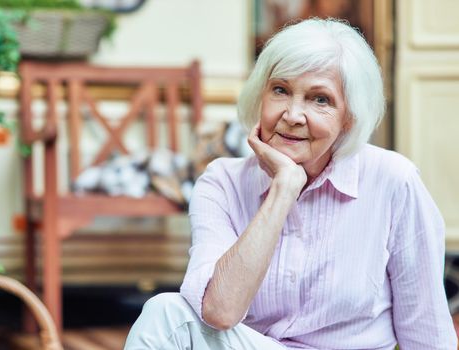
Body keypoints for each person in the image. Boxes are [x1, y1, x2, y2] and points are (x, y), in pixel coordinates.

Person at [123, 18, 457, 349]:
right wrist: (284, 188)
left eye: (320, 99)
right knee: (166, 313)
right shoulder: (222, 182)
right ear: (260, 96)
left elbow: (427, 332)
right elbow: (219, 312)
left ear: (348, 118)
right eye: (280, 90)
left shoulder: (394, 182)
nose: (293, 115)